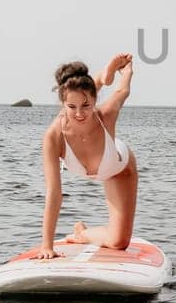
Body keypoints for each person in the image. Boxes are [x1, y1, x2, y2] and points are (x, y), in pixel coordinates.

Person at [31, 55, 136, 260]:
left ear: (96, 100)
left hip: (119, 167)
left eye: (86, 106)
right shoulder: (53, 137)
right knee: (78, 93)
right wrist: (47, 246)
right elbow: (53, 192)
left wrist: (127, 73)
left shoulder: (106, 114)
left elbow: (123, 91)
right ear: (63, 103)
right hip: (91, 157)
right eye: (71, 107)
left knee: (119, 243)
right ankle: (101, 76)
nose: (79, 113)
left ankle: (82, 234)